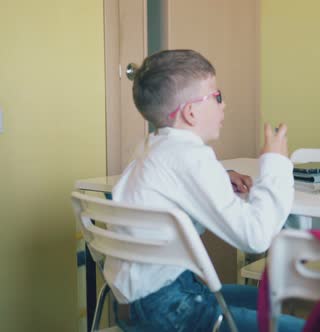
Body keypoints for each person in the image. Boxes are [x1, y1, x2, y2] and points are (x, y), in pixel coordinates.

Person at [106, 49, 304, 332]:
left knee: (274, 301)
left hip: (144, 302)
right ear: (191, 111)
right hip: (175, 311)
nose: (223, 105)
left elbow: (175, 185)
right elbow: (256, 237)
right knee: (309, 322)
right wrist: (275, 163)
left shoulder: (151, 149)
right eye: (217, 96)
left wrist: (220, 178)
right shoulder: (192, 158)